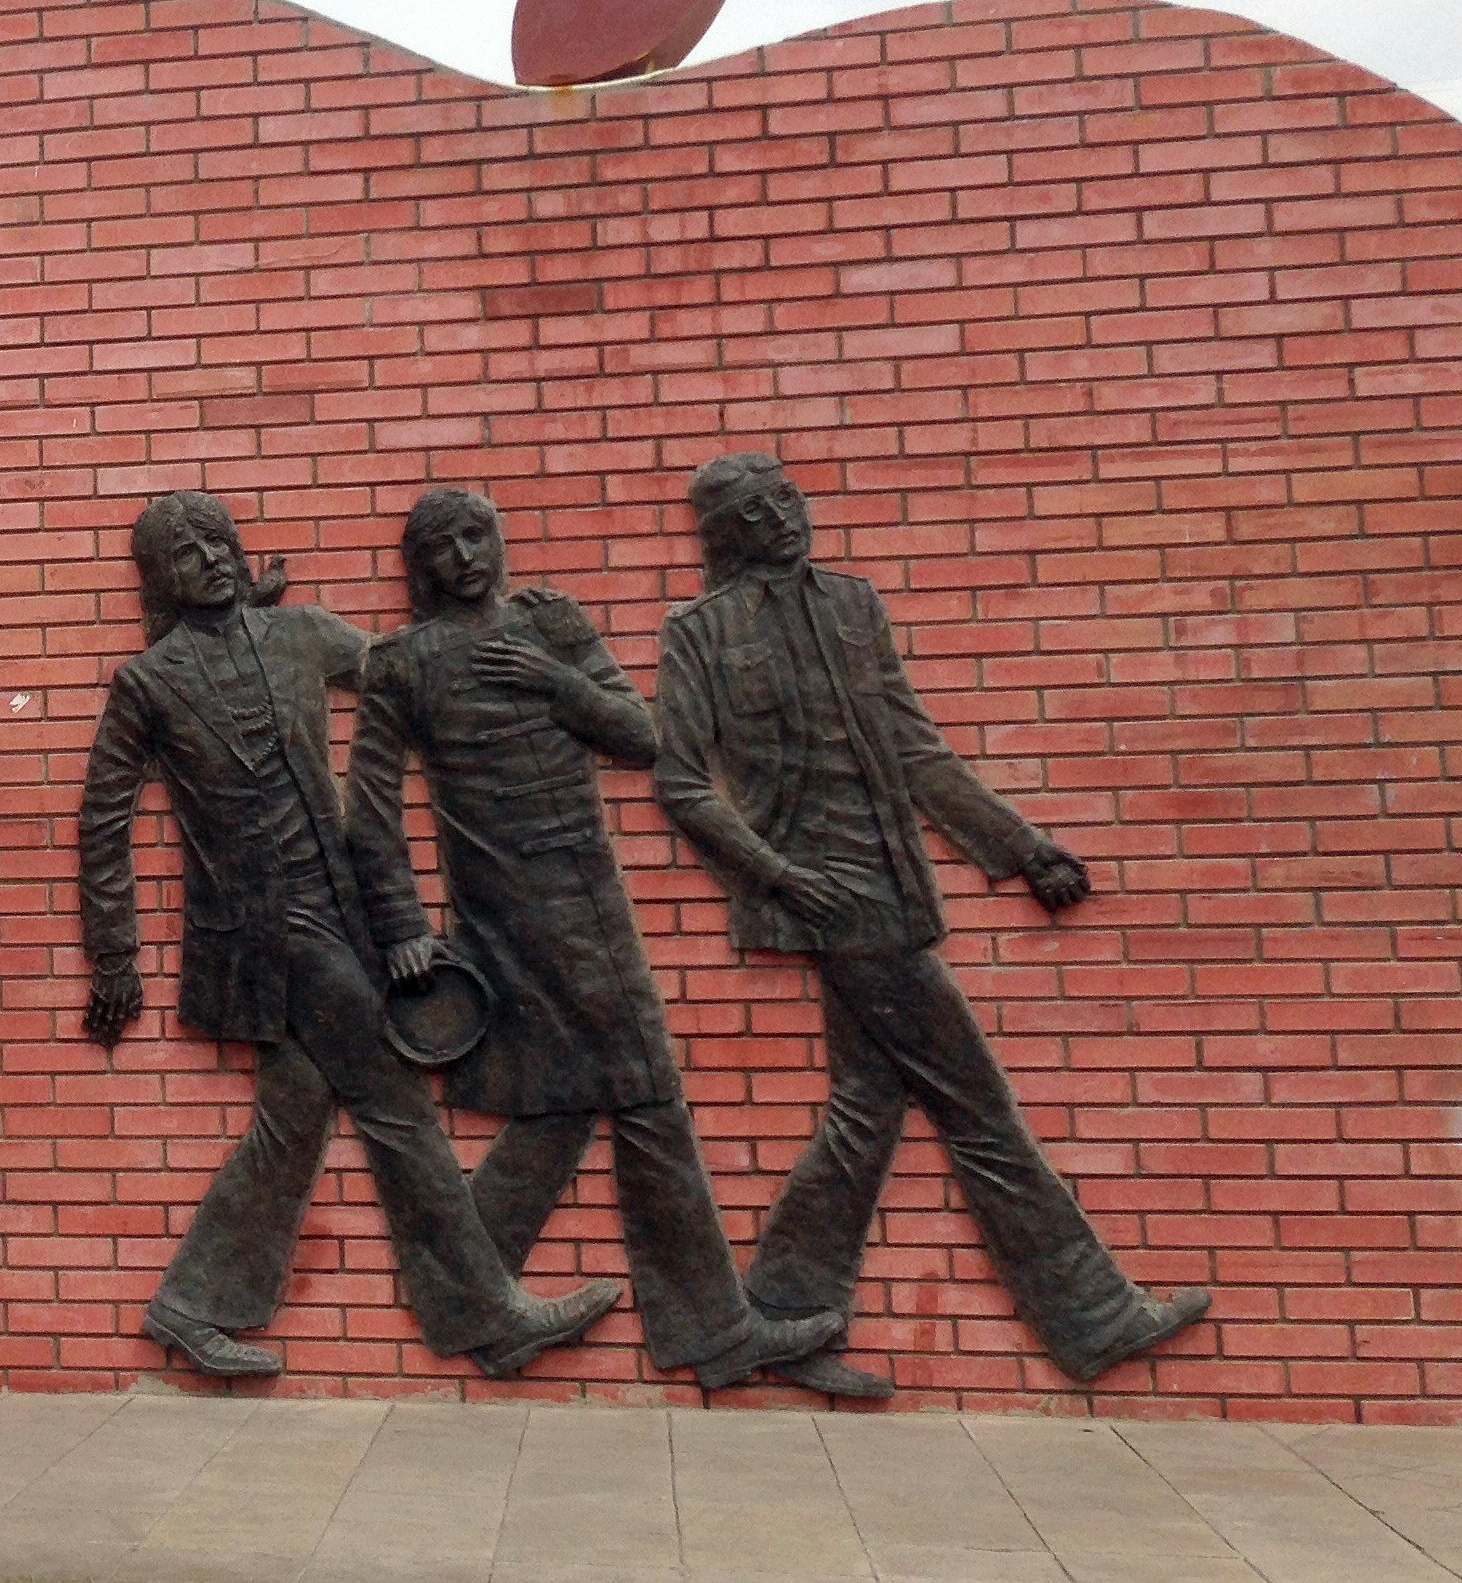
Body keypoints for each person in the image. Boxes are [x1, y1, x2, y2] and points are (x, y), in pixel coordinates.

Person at [653, 452, 1209, 1393]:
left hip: (894, 887)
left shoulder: (854, 604)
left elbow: (915, 749)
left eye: (785, 497)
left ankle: (780, 1316)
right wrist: (779, 878)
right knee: (976, 1106)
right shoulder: (700, 631)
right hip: (830, 901)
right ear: (724, 534)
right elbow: (681, 784)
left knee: (867, 1111)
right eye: (753, 511)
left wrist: (1021, 847)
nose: (781, 517)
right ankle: (1093, 1318)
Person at [77, 489, 619, 1381]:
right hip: (261, 935)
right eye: (187, 554)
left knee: (291, 1125)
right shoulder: (148, 682)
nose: (211, 560)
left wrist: (507, 636)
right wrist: (113, 954)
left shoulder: (299, 634)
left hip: (340, 910)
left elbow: (403, 673)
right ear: (162, 580)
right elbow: (103, 819)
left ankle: (190, 1306)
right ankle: (489, 1315)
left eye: (219, 542)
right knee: (397, 1106)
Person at [345, 486, 841, 1391]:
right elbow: (370, 814)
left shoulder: (551, 622)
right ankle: (713, 1335)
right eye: (444, 546)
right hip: (504, 916)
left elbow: (641, 738)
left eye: (477, 535)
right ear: (421, 567)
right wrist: (401, 925)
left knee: (564, 1106)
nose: (466, 557)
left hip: (592, 901)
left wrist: (555, 677)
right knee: (645, 1097)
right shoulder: (401, 664)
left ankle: (470, 1305)